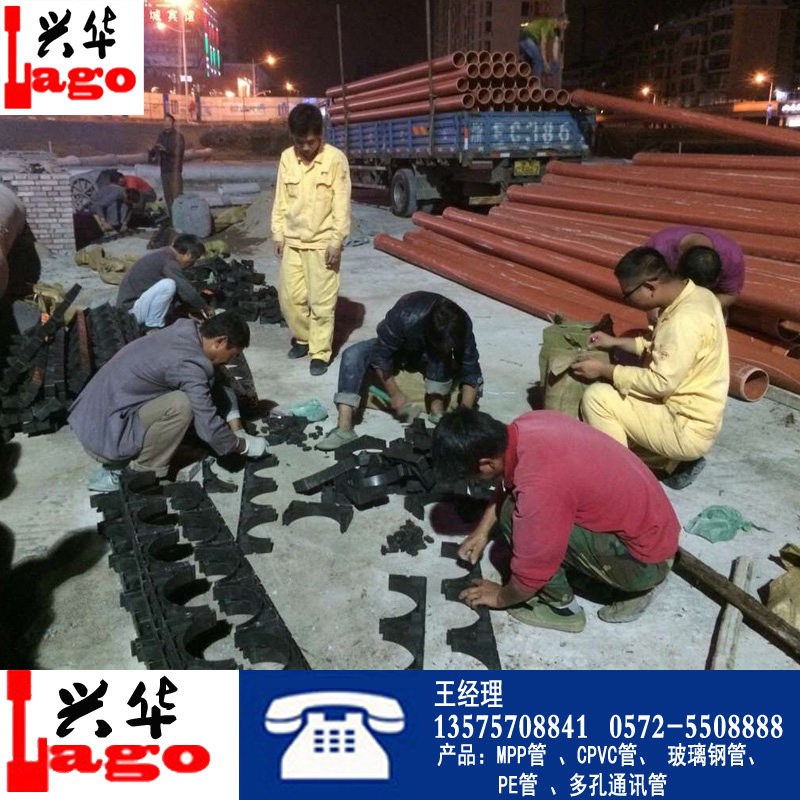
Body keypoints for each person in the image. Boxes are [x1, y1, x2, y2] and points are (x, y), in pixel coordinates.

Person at [432, 408, 680, 632]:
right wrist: (482, 531)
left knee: (516, 520)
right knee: (523, 511)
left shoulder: (540, 488)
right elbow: (508, 478)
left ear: (487, 463)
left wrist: (500, 597)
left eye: (473, 477)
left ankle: (563, 610)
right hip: (658, 530)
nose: (474, 482)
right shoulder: (528, 424)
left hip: (648, 562)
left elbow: (532, 570)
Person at [572, 247, 729, 489]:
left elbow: (660, 383)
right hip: (696, 418)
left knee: (598, 399)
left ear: (649, 287)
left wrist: (605, 370)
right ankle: (672, 465)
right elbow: (660, 347)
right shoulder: (699, 296)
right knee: (610, 423)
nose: (628, 301)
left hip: (685, 425)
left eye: (628, 295)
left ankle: (620, 483)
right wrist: (615, 342)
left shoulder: (683, 321)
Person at [69, 312, 267, 492]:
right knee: (182, 405)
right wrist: (242, 445)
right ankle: (137, 473)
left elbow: (217, 381)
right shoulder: (188, 364)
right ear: (220, 342)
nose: (229, 361)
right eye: (232, 355)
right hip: (103, 435)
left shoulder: (187, 332)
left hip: (91, 415)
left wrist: (236, 426)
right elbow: (209, 429)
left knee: (193, 394)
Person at [317, 292, 483, 450]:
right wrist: (395, 394)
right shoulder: (405, 314)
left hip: (427, 355)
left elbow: (471, 370)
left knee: (439, 357)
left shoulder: (461, 324)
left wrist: (465, 415)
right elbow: (381, 356)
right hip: (398, 350)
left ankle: (436, 412)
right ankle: (344, 429)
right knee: (352, 354)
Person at [271, 103, 351, 376]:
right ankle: (303, 338)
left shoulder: (335, 159)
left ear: (320, 135)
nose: (305, 148)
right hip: (293, 241)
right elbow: (281, 198)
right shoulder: (286, 158)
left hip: (322, 242)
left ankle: (319, 351)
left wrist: (336, 241)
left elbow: (341, 204)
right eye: (299, 142)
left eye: (310, 142)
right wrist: (278, 233)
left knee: (321, 302)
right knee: (290, 299)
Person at [116, 234, 211, 330]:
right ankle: (154, 325)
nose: (193, 264)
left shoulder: (164, 253)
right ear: (188, 255)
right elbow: (187, 291)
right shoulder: (169, 262)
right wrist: (204, 306)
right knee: (169, 285)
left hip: (137, 304)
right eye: (193, 259)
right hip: (131, 311)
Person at [646, 226, 745, 311]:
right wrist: (654, 306)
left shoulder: (732, 258)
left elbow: (730, 294)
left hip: (707, 299)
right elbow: (645, 284)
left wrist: (700, 307)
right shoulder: (657, 250)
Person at [151, 113, 185, 216]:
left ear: (173, 123)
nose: (166, 123)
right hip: (164, 170)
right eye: (165, 121)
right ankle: (171, 216)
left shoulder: (178, 136)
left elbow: (178, 152)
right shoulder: (161, 135)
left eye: (169, 121)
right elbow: (157, 149)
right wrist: (153, 151)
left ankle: (180, 216)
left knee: (177, 195)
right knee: (168, 195)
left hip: (174, 170)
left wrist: (165, 150)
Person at [90, 170, 131, 235]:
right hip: (100, 212)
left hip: (94, 209)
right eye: (123, 180)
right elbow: (99, 205)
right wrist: (104, 222)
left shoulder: (103, 188)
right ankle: (115, 226)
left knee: (125, 204)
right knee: (125, 205)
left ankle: (119, 225)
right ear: (119, 181)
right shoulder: (119, 190)